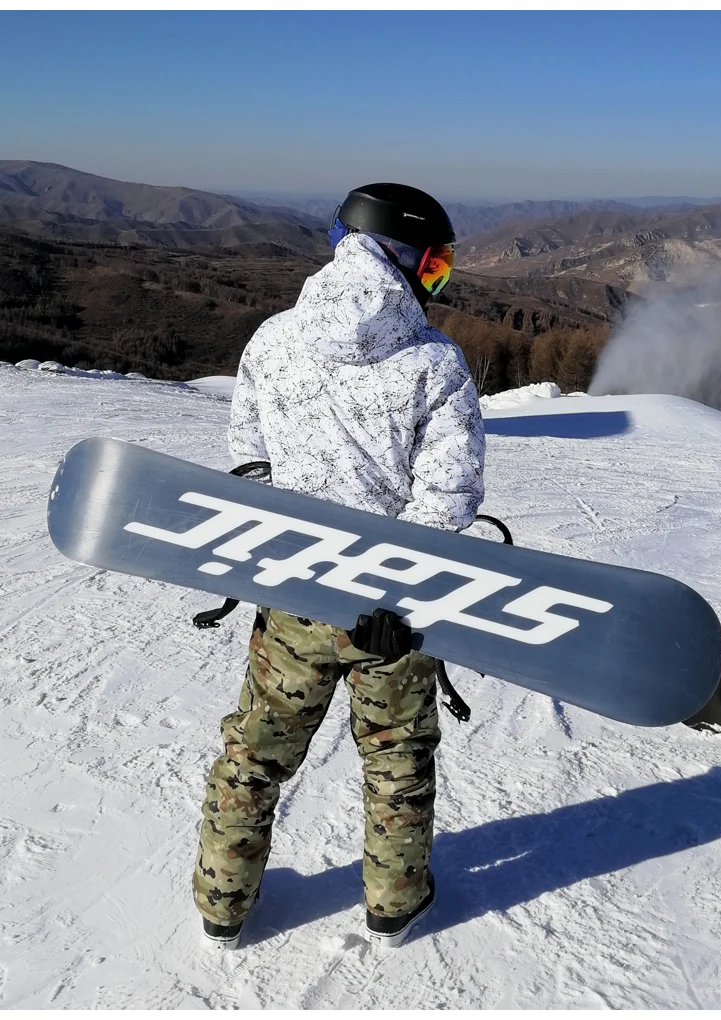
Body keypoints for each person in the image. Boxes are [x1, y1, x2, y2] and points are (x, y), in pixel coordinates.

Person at [193, 183, 486, 950]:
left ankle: (222, 904)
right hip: (391, 614)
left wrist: (272, 562)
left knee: (255, 753)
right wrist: (402, 590)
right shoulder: (435, 360)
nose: (435, 280)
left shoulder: (272, 339)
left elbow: (250, 462)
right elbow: (447, 499)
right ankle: (394, 904)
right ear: (403, 256)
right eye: (432, 265)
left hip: (293, 595)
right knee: (395, 757)